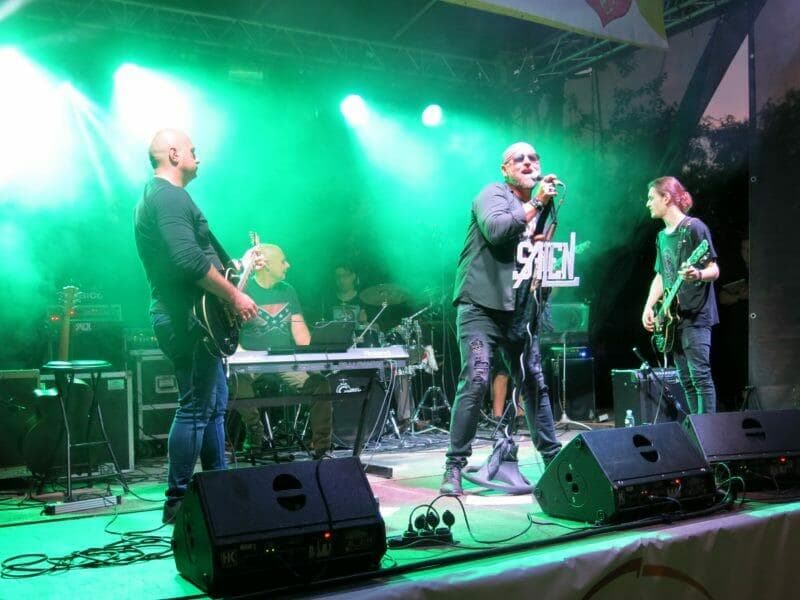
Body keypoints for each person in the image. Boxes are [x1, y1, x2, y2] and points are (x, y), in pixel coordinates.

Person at [134, 128, 258, 523]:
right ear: (173, 154)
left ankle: (217, 491)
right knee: (195, 407)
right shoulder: (168, 197)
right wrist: (235, 296)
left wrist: (240, 269)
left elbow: (200, 259)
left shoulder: (163, 197)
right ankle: (177, 502)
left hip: (194, 318)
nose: (198, 157)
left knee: (214, 406)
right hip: (185, 320)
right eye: (192, 150)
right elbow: (187, 261)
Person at [441, 141, 563, 495]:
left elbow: (535, 252)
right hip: (481, 305)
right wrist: (536, 202)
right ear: (505, 169)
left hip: (520, 311)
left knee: (533, 381)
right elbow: (496, 231)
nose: (527, 162)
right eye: (518, 158)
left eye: (533, 157)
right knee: (477, 378)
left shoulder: (544, 206)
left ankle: (556, 463)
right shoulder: (492, 194)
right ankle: (453, 466)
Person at [234, 243, 333, 459]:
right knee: (235, 381)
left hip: (284, 360)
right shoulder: (242, 291)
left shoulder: (288, 290)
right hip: (251, 361)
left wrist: (315, 358)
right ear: (265, 265)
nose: (288, 265)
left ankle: (322, 446)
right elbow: (231, 332)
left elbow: (299, 330)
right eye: (283, 261)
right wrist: (240, 357)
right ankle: (255, 431)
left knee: (320, 384)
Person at [642, 176, 720, 414]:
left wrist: (697, 274)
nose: (647, 203)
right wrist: (649, 307)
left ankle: (708, 431)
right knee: (685, 380)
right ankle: (697, 428)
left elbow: (714, 270)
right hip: (672, 319)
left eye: (651, 198)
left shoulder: (695, 227)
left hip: (696, 315)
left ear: (666, 198)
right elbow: (661, 275)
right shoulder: (661, 236)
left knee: (700, 377)